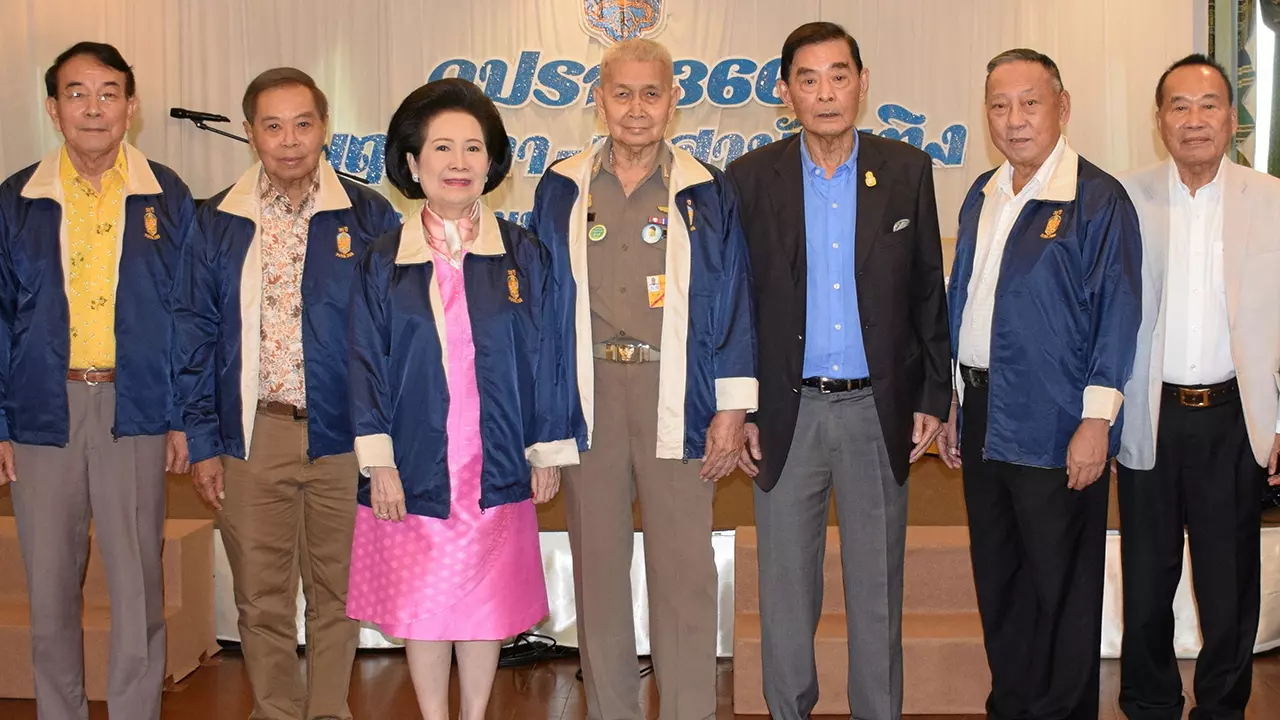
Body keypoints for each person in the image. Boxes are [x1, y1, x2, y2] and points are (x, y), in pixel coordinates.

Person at [726, 21, 951, 720]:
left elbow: (927, 291)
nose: (825, 93)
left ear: (862, 82)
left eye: (839, 76)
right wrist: (741, 409)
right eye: (808, 79)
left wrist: (933, 395)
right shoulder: (749, 179)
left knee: (877, 594)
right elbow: (734, 303)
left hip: (875, 413)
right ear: (785, 91)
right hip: (784, 415)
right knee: (786, 594)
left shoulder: (906, 170)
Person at [529, 37, 756, 720]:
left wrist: (732, 409)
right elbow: (541, 310)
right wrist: (545, 422)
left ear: (672, 102)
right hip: (589, 395)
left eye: (650, 94)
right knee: (598, 571)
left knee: (684, 573)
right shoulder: (561, 185)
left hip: (677, 394)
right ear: (598, 100)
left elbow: (735, 298)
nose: (636, 108)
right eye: (622, 93)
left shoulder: (708, 190)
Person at [345, 77, 581, 720]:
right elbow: (364, 364)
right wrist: (379, 462)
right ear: (413, 162)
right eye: (442, 148)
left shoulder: (523, 254)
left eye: (473, 148)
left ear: (491, 162)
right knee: (423, 603)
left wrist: (546, 450)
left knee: (484, 604)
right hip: (416, 462)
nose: (458, 162)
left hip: (496, 459)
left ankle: (474, 714)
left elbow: (549, 356)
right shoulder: (381, 260)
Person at [176, 68, 400, 720]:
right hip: (253, 433)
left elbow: (391, 332)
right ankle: (274, 710)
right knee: (261, 597)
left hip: (343, 434)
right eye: (273, 126)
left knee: (338, 594)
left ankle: (328, 710)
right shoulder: (216, 220)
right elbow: (191, 335)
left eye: (303, 123)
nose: (290, 140)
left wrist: (386, 437)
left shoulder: (369, 215)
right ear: (250, 133)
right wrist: (203, 441)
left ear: (324, 128)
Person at [935, 49, 1141, 720]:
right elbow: (964, 302)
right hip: (982, 411)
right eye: (999, 105)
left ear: (1062, 107)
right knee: (1001, 580)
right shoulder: (983, 192)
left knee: (1062, 587)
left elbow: (1117, 315)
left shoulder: (1097, 199)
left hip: (1058, 420)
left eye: (1030, 103)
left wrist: (1097, 421)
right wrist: (953, 402)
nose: (1014, 119)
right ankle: (1013, 705)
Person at [0, 41, 195, 720]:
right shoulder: (17, 199)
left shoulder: (166, 194)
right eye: (76, 93)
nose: (93, 107)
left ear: (130, 107)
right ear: (53, 109)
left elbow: (188, 313)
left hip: (135, 407)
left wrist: (183, 416)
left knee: (138, 584)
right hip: (42, 409)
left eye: (108, 93)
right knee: (50, 585)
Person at [1116, 54, 1280, 720]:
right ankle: (1149, 703)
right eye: (1178, 106)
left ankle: (1221, 708)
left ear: (1231, 118)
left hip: (1235, 418)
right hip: (1148, 414)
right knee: (1146, 581)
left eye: (1208, 105)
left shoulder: (1271, 200)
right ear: (1159, 120)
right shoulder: (1124, 199)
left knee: (1229, 584)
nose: (1194, 119)